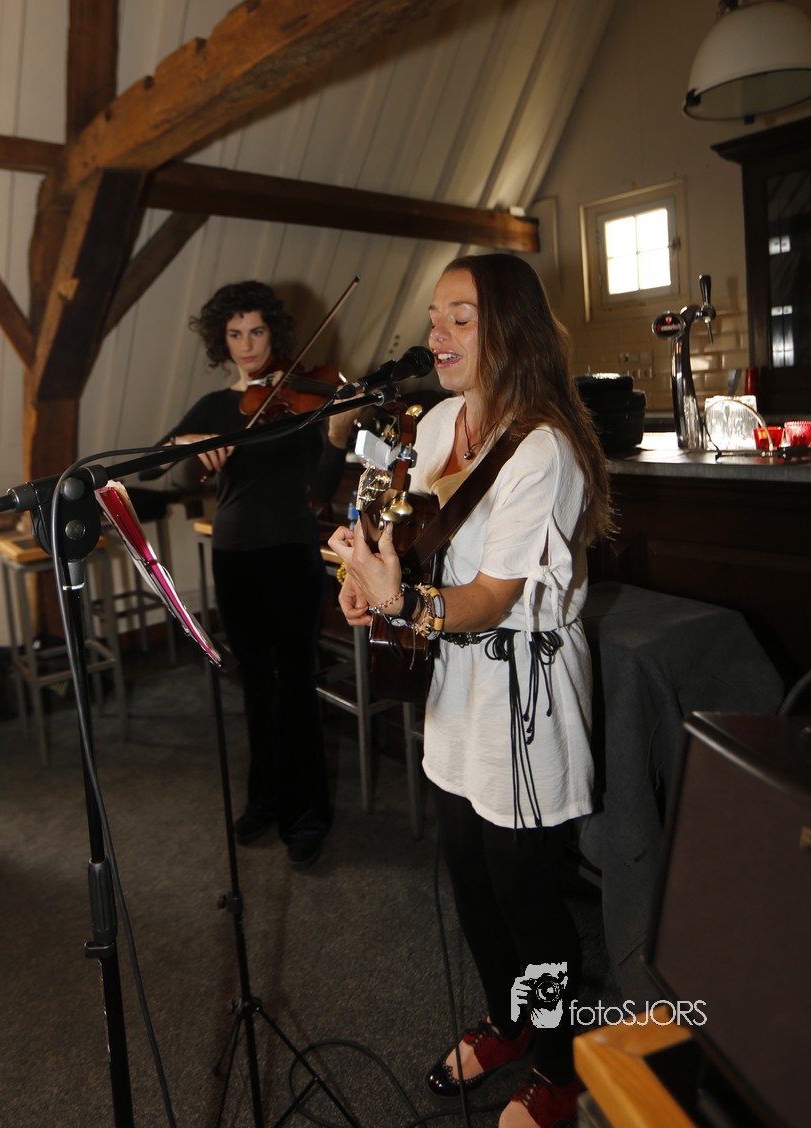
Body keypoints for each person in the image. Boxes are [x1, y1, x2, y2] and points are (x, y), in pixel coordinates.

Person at [327, 253, 612, 1127]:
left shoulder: (545, 449)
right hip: (456, 681)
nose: (438, 334)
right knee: (469, 873)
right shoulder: (443, 419)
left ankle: (558, 1067)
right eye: (434, 317)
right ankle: (508, 1019)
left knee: (527, 895)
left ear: (510, 329)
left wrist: (401, 603)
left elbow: (491, 596)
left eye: (461, 317)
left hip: (521, 694)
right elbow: (406, 536)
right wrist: (365, 576)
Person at [166, 281, 358, 869]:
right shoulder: (214, 407)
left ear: (274, 332)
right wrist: (186, 445)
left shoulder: (303, 395)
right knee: (254, 682)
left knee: (294, 683)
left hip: (290, 553)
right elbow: (165, 475)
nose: (248, 345)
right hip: (233, 556)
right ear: (220, 340)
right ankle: (265, 800)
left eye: (257, 331)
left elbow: (320, 489)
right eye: (235, 334)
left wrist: (336, 435)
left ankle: (307, 816)